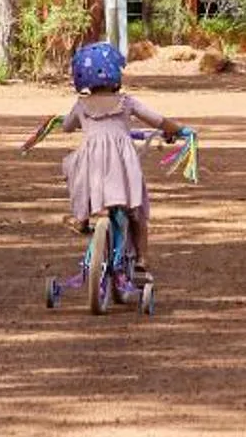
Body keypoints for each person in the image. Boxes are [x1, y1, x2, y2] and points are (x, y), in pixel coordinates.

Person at [22, 40, 189, 276]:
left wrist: (66, 119)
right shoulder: (126, 102)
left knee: (75, 172)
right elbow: (158, 121)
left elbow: (68, 127)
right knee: (135, 210)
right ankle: (142, 257)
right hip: (122, 163)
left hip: (92, 163)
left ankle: (81, 218)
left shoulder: (81, 104)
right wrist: (179, 130)